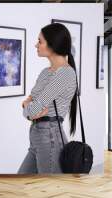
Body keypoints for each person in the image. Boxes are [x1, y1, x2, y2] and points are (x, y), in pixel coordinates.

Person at [18, 23, 78, 174]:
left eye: (40, 41)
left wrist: (29, 107)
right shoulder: (46, 72)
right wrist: (29, 106)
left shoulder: (65, 74)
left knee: (49, 190)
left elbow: (33, 108)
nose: (36, 45)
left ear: (52, 45)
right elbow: (31, 104)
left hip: (49, 137)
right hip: (37, 136)